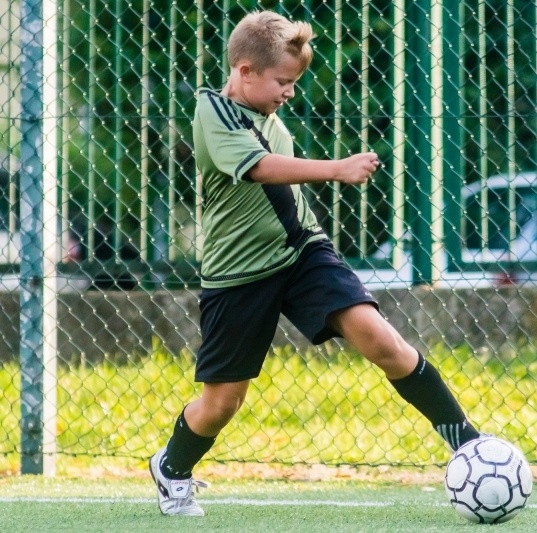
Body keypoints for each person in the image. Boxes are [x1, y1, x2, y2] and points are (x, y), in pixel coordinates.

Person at [148, 10, 481, 517]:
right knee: (221, 405)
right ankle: (171, 468)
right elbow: (260, 168)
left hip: (304, 253)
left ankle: (470, 447)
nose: (289, 92)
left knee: (381, 338)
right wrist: (337, 169)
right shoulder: (213, 112)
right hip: (238, 275)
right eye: (283, 81)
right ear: (244, 71)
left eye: (294, 82)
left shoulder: (263, 106)